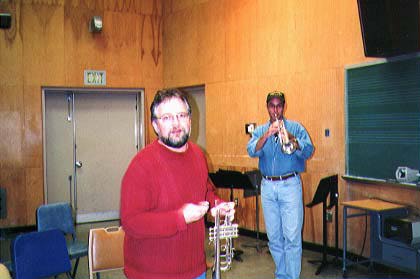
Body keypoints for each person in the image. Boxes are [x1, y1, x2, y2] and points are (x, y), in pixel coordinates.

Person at [120, 88, 234, 279]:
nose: (176, 124)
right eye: (166, 118)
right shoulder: (141, 165)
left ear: (190, 119)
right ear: (155, 125)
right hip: (152, 274)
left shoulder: (198, 155)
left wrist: (217, 205)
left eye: (181, 115)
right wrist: (180, 217)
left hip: (195, 270)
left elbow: (204, 191)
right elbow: (131, 222)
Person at [247, 91, 314, 279]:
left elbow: (308, 150)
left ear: (284, 106)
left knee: (292, 237)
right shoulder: (261, 130)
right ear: (267, 107)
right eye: (272, 106)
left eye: (279, 106)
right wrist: (268, 133)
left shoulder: (296, 127)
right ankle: (281, 275)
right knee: (274, 237)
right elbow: (252, 150)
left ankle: (292, 277)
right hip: (268, 186)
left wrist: (291, 137)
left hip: (290, 184)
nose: (275, 110)